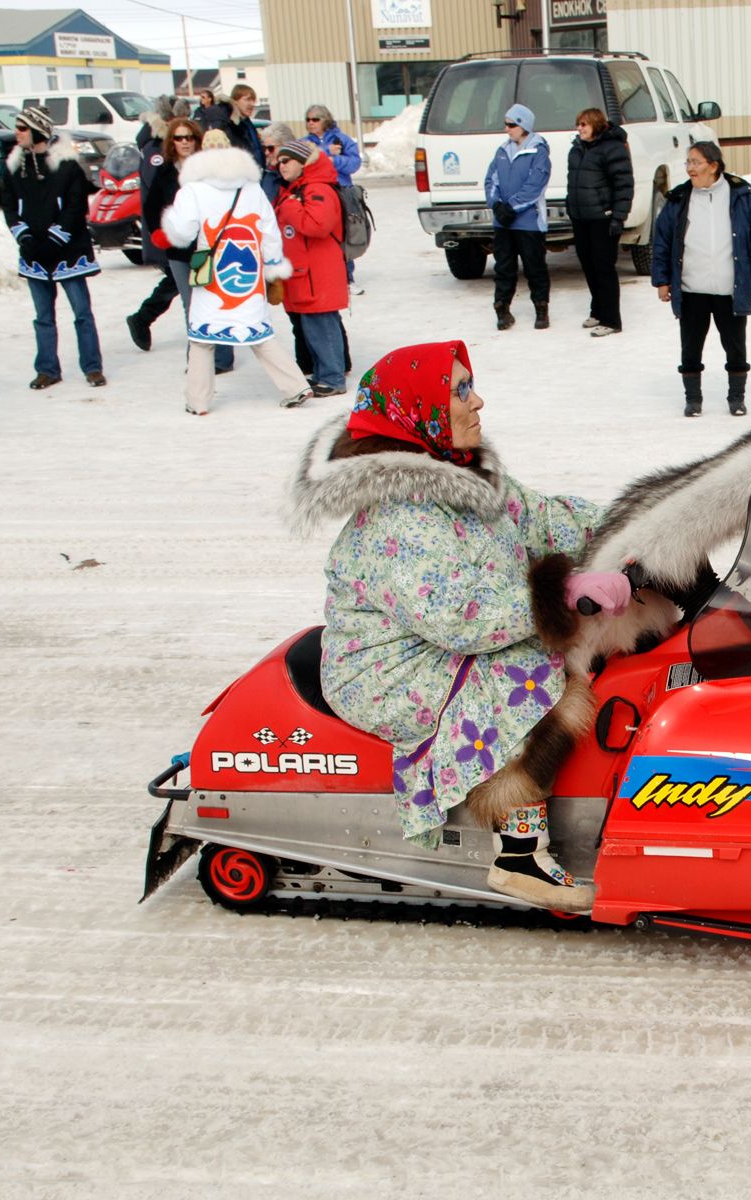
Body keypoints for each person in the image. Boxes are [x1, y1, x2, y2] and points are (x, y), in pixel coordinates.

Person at [296, 340, 621, 912]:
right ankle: (519, 856)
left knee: (569, 652)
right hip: (387, 668)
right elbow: (462, 616)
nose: (478, 403)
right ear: (417, 412)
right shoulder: (398, 516)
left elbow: (543, 519)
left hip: (434, 641)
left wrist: (635, 526)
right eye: (460, 391)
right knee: (528, 675)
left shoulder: (465, 476)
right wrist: (565, 595)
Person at [159, 130, 312, 414]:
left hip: (214, 271)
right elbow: (269, 230)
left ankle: (198, 400)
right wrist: (273, 265)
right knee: (257, 330)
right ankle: (295, 386)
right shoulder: (250, 188)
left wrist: (170, 222)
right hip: (249, 269)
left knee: (203, 337)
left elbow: (182, 231)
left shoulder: (193, 189)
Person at [652, 142, 751, 418]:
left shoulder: (740, 196)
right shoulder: (679, 199)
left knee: (735, 346)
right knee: (690, 347)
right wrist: (662, 280)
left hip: (730, 287)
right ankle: (693, 399)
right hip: (691, 288)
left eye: (696, 162)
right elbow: (662, 241)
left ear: (714, 166)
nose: (690, 168)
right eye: (688, 163)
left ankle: (737, 398)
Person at [2, 106, 104, 390]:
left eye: (22, 128)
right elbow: (9, 207)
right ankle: (47, 369)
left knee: (82, 312)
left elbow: (74, 208)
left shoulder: (67, 166)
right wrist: (26, 239)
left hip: (68, 251)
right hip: (34, 253)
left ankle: (92, 367)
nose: (17, 133)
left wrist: (53, 240)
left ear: (37, 131)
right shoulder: (13, 167)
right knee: (43, 316)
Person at [141, 118, 234, 376]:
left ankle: (223, 356)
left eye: (188, 138)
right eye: (178, 138)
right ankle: (197, 359)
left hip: (209, 245)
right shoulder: (167, 171)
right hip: (180, 249)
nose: (184, 142)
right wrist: (158, 232)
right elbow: (151, 206)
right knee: (191, 304)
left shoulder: (208, 169)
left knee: (216, 299)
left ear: (196, 140)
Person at [273, 139, 349, 397]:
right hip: (307, 273)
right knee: (313, 327)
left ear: (303, 163)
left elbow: (318, 225)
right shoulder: (299, 188)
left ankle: (332, 377)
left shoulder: (317, 189)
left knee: (322, 325)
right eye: (279, 161)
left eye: (287, 161)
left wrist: (290, 205)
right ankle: (323, 373)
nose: (280, 166)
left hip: (318, 273)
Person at [485, 103, 552, 331]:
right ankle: (502, 308)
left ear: (524, 126)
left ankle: (541, 308)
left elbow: (534, 187)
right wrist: (496, 206)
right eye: (506, 124)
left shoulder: (538, 152)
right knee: (504, 267)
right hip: (503, 223)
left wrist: (511, 208)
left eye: (511, 124)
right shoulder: (503, 150)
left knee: (535, 267)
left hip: (529, 222)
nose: (507, 129)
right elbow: (490, 180)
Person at [567, 107, 633, 337]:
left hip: (603, 218)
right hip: (582, 217)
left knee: (604, 267)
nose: (580, 128)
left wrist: (618, 216)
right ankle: (597, 310)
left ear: (595, 124)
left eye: (584, 124)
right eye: (578, 124)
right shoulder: (577, 149)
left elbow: (624, 184)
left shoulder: (612, 148)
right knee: (588, 264)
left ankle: (611, 319)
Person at [125, 96, 181, 351]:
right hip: (164, 228)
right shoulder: (155, 148)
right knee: (176, 278)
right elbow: (157, 192)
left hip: (172, 226)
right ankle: (142, 318)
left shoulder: (160, 144)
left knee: (176, 280)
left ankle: (143, 318)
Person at [303, 104, 364, 293]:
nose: (311, 123)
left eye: (315, 119)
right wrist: (326, 152)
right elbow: (303, 161)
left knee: (345, 235)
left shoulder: (343, 140)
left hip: (342, 192)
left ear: (325, 120)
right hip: (317, 195)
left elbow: (354, 163)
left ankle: (348, 277)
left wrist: (334, 161)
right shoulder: (305, 142)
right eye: (308, 120)